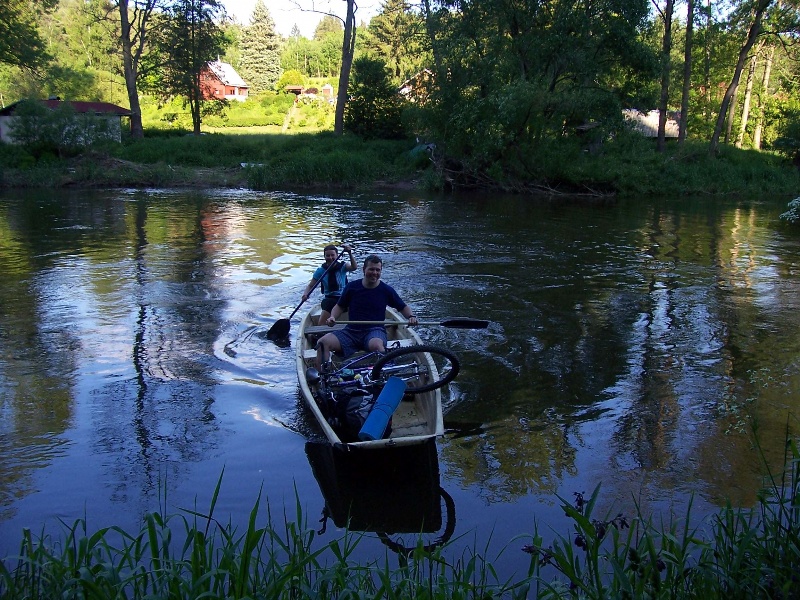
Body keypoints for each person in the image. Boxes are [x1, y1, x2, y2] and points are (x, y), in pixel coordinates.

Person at [316, 254, 419, 370]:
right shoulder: (352, 287)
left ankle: (379, 377)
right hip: (351, 331)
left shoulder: (386, 290)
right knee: (322, 343)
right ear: (364, 269)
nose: (374, 273)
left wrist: (411, 316)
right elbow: (339, 306)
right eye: (371, 269)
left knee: (377, 347)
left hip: (374, 331)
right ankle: (321, 379)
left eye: (377, 270)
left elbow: (403, 307)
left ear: (381, 271)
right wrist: (333, 317)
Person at [301, 244, 357, 327]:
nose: (330, 258)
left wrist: (349, 253)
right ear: (324, 257)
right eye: (327, 255)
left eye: (332, 255)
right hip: (330, 299)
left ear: (337, 255)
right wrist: (305, 294)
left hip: (344, 298)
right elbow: (310, 286)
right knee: (321, 325)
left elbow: (354, 267)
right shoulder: (321, 271)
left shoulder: (343, 267)